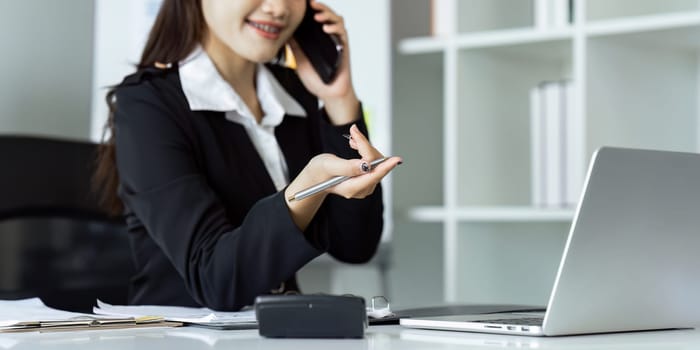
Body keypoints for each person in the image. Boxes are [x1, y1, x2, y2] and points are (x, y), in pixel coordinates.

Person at [93, 0, 401, 311]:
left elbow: (356, 246)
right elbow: (216, 281)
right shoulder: (148, 105)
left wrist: (340, 100)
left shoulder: (293, 94)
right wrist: (310, 185)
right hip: (181, 336)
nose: (278, 8)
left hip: (272, 333)